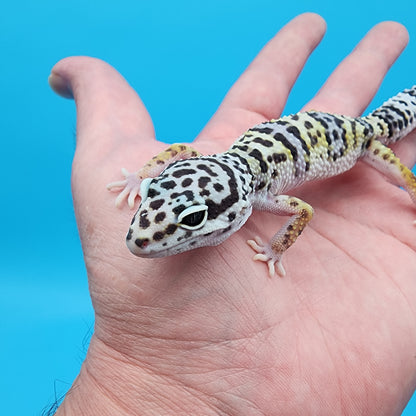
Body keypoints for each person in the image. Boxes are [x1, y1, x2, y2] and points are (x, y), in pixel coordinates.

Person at [49, 13, 416, 415]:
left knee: (401, 173)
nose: (142, 237)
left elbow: (303, 210)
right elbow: (180, 154)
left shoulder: (261, 198)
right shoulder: (224, 177)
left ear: (239, 208)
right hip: (306, 138)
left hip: (362, 138)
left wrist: (277, 249)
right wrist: (145, 178)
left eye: (191, 222)